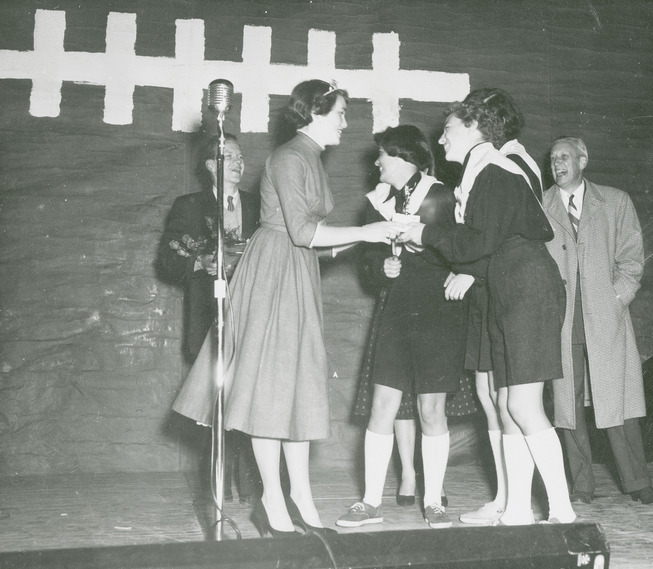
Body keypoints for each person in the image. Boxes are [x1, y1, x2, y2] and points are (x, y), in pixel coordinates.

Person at [172, 80, 405, 537]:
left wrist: (367, 239)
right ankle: (272, 502)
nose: (344, 122)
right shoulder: (289, 157)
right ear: (315, 112)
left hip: (295, 271)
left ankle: (301, 499)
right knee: (269, 392)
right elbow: (300, 231)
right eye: (339, 112)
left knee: (295, 389)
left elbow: (311, 239)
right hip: (276, 273)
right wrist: (369, 232)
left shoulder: (308, 157)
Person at [399, 91, 576, 525]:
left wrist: (424, 234)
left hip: (527, 285)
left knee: (523, 406)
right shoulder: (482, 172)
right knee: (510, 405)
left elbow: (477, 242)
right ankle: (516, 509)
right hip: (506, 285)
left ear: (475, 126)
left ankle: (563, 512)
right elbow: (480, 247)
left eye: (448, 130)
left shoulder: (495, 173)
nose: (440, 141)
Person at [338, 125, 468, 530]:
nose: (376, 162)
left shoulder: (442, 195)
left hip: (438, 312)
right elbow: (366, 265)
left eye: (383, 155)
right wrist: (382, 267)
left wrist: (430, 255)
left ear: (406, 158)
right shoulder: (376, 202)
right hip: (396, 311)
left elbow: (462, 251)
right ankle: (370, 502)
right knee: (382, 405)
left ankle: (433, 502)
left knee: (431, 410)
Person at [543, 137, 653, 506]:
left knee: (618, 405)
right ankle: (581, 487)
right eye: (552, 159)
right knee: (568, 407)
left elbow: (631, 259)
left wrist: (616, 299)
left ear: (583, 160)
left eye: (564, 157)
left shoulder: (615, 201)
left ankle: (638, 483)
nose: (556, 164)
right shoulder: (539, 204)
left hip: (605, 320)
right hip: (561, 322)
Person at [453, 88, 546, 526]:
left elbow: (501, 227)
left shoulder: (509, 162)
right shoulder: (486, 162)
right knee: (491, 397)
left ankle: (516, 502)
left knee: (507, 400)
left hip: (504, 284)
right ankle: (506, 498)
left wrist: (472, 269)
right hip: (489, 285)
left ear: (483, 123)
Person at [158, 133, 261, 505]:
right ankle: (217, 486)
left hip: (250, 316)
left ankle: (251, 484)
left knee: (247, 398)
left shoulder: (259, 206)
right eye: (227, 156)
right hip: (208, 318)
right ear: (210, 165)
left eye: (240, 156)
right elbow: (168, 261)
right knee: (215, 404)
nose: (237, 162)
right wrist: (200, 262)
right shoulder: (189, 205)